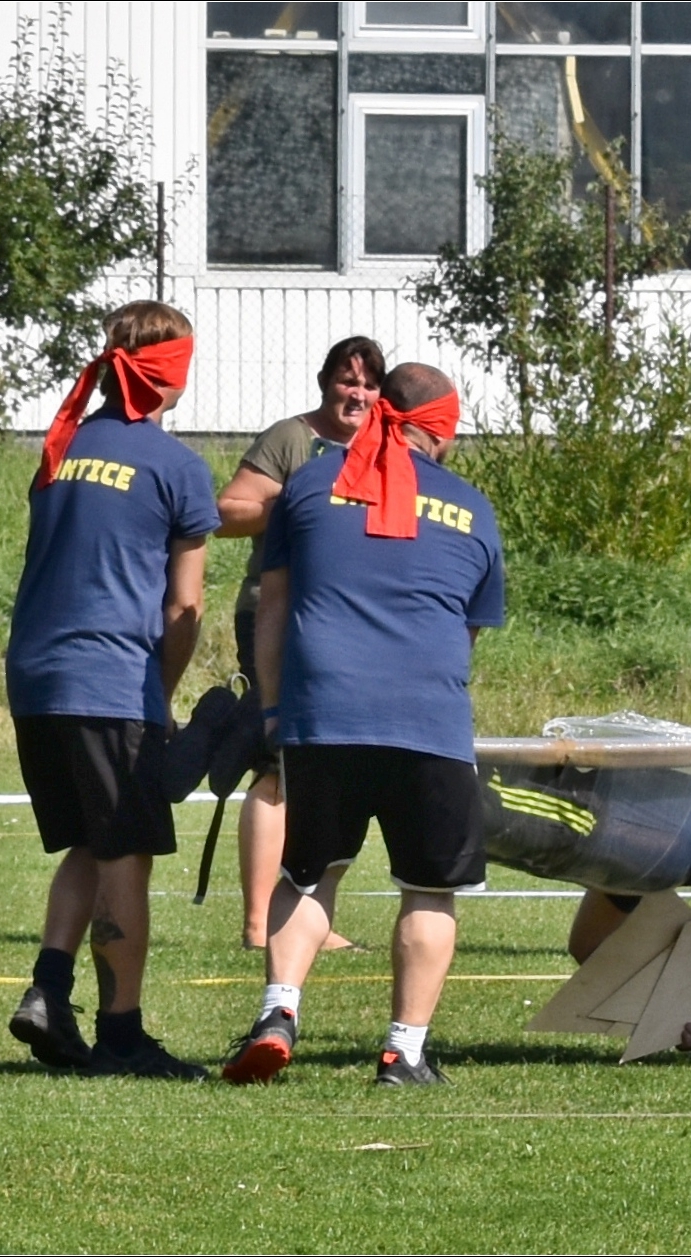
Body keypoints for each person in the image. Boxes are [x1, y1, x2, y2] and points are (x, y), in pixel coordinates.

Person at [221, 363, 503, 1088]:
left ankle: (278, 1012)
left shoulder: (311, 485)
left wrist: (275, 709)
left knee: (308, 874)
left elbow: (272, 606)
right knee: (429, 890)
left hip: (325, 713)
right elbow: (466, 633)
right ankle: (403, 1052)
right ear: (441, 431)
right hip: (429, 719)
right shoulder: (473, 508)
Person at [5, 300, 218, 1079]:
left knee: (89, 842)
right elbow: (185, 607)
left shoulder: (61, 444)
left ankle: (49, 992)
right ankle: (121, 1034)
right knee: (126, 852)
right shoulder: (176, 466)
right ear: (171, 374)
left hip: (35, 676)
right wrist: (159, 694)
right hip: (110, 679)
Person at [215, 336, 386, 951]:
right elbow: (227, 511)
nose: (357, 394)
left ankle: (307, 917)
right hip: (279, 616)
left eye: (369, 384)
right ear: (325, 382)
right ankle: (260, 923)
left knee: (325, 769)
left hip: (349, 624)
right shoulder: (291, 439)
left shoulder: (383, 449)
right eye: (347, 380)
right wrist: (300, 500)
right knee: (278, 765)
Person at [482, 767, 691, 1073]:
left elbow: (590, 945)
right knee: (477, 797)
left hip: (570, 813)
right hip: (564, 808)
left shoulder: (658, 841)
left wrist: (670, 1018)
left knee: (473, 803)